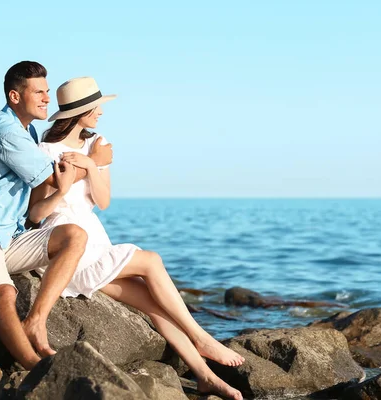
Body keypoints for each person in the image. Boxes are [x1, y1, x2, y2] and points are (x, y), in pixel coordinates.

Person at [28, 77, 244, 400]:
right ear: (81, 111)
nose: (101, 112)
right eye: (96, 106)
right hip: (69, 246)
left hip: (96, 242)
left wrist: (90, 164)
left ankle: (206, 377)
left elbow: (103, 201)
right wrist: (75, 177)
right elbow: (36, 212)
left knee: (155, 305)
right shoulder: (47, 151)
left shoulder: (97, 145)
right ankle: (200, 337)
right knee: (152, 260)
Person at [0, 61, 112, 370]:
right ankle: (34, 369)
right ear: (15, 96)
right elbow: (53, 178)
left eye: (47, 91)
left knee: (75, 235)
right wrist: (93, 160)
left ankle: (36, 321)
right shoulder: (5, 130)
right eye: (38, 92)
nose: (47, 98)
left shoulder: (28, 129)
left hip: (9, 238)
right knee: (4, 292)